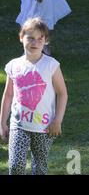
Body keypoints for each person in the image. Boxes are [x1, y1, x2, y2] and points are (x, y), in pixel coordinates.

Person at [0, 17, 68, 175]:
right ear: (21, 37)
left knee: (40, 168)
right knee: (16, 166)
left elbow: (62, 93)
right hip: (19, 125)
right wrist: (2, 123)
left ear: (45, 41)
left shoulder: (51, 65)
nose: (35, 43)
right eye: (30, 38)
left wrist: (57, 121)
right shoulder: (14, 65)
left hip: (44, 127)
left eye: (40, 39)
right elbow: (8, 95)